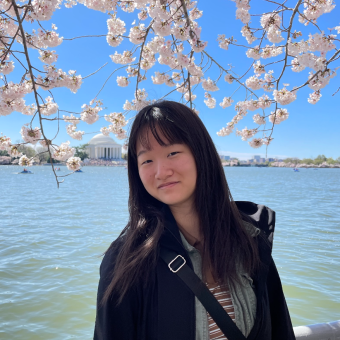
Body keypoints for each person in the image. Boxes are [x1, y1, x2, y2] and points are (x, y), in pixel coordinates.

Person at [93, 101, 296, 340]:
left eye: (173, 153)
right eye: (147, 161)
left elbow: (280, 328)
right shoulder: (127, 260)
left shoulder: (249, 237)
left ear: (201, 153)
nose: (161, 171)